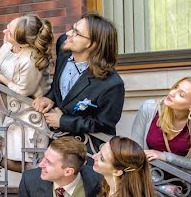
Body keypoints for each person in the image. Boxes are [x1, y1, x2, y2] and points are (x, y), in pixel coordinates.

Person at [32, 13, 124, 145]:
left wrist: (63, 121)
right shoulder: (64, 47)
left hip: (87, 151)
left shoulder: (113, 84)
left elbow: (103, 124)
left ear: (92, 44)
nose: (68, 33)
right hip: (54, 142)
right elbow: (59, 87)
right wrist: (49, 97)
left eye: (76, 32)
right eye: (73, 28)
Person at [0, 14, 53, 171]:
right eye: (8, 27)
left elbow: (24, 90)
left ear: (24, 42)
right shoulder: (8, 46)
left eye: (9, 32)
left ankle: (42, 189)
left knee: (31, 164)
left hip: (30, 115)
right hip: (13, 112)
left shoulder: (30, 59)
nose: (4, 31)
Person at [130, 77, 191, 170]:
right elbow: (136, 151)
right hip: (148, 176)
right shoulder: (149, 108)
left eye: (181, 94)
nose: (171, 93)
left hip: (184, 181)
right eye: (176, 87)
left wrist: (165, 156)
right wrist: (157, 182)